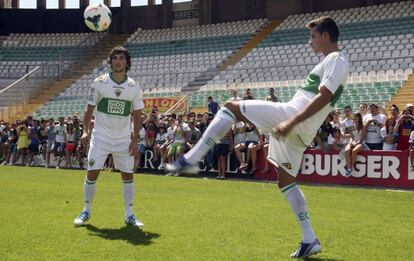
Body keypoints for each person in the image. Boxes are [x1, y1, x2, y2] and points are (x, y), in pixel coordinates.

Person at [167, 16, 348, 258]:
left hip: (293, 117)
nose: (309, 42)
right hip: (301, 132)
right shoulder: (331, 61)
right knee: (286, 181)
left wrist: (291, 120)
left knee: (230, 106)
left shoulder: (336, 59)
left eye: (313, 36)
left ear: (326, 36)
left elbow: (324, 96)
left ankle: (191, 158)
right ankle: (309, 238)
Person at [74, 46, 145, 228]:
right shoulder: (99, 82)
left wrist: (135, 139)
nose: (118, 61)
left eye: (121, 58)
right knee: (92, 173)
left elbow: (137, 115)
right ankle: (86, 211)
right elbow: (89, 109)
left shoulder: (134, 87)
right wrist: (84, 131)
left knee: (128, 175)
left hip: (123, 140)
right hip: (101, 138)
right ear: (111, 62)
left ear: (127, 62)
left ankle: (130, 214)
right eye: (115, 58)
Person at [344, 113, 366, 177]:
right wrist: (351, 142)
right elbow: (351, 137)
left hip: (361, 143)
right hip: (354, 142)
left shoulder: (363, 127)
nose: (355, 119)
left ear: (359, 118)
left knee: (354, 150)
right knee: (347, 150)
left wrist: (357, 143)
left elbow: (362, 139)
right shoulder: (352, 127)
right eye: (354, 117)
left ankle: (351, 167)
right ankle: (348, 168)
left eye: (356, 117)